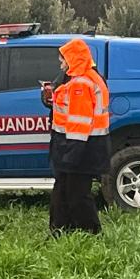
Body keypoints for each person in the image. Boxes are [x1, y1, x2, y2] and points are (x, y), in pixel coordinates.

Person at [43, 38, 109, 236]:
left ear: (73, 59)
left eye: (63, 59)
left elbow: (79, 124)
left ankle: (90, 232)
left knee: (76, 194)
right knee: (65, 191)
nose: (61, 64)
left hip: (79, 148)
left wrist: (70, 155)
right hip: (77, 146)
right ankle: (62, 230)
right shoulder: (82, 78)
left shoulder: (80, 83)